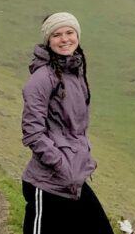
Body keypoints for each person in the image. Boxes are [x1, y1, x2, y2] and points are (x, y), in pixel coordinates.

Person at [20, 12, 114, 233]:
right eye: (57, 35)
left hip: (73, 180)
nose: (65, 39)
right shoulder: (42, 79)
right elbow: (32, 132)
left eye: (69, 32)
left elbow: (74, 129)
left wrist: (83, 158)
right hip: (47, 184)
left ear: (78, 35)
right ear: (48, 40)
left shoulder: (75, 73)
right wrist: (62, 164)